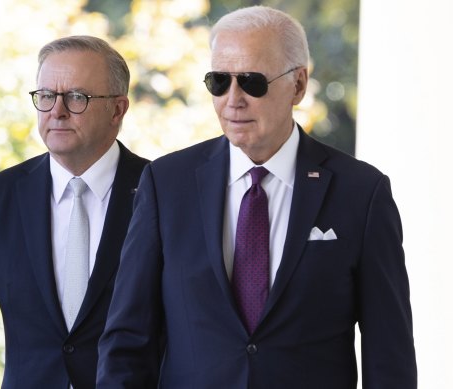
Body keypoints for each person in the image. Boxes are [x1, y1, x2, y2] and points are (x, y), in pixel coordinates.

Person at [97, 5, 416, 388]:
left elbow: (389, 357)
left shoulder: (362, 193)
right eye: (219, 81)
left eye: (252, 82)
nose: (233, 99)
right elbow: (128, 341)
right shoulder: (166, 184)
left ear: (298, 84)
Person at [0, 35, 149, 389]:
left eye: (76, 97)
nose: (56, 111)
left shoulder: (163, 193)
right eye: (46, 96)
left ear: (117, 109)